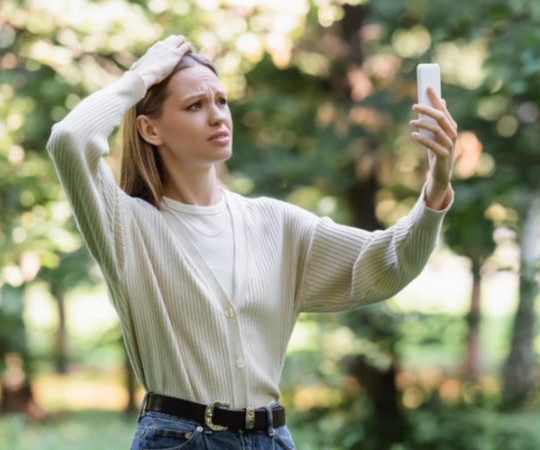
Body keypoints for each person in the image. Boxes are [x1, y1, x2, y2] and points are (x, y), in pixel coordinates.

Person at [46, 34, 457, 450]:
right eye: (195, 106)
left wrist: (436, 185)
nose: (217, 117)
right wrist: (142, 75)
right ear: (150, 129)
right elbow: (69, 139)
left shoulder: (276, 225)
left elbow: (389, 262)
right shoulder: (127, 225)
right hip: (178, 440)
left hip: (272, 438)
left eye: (221, 102)